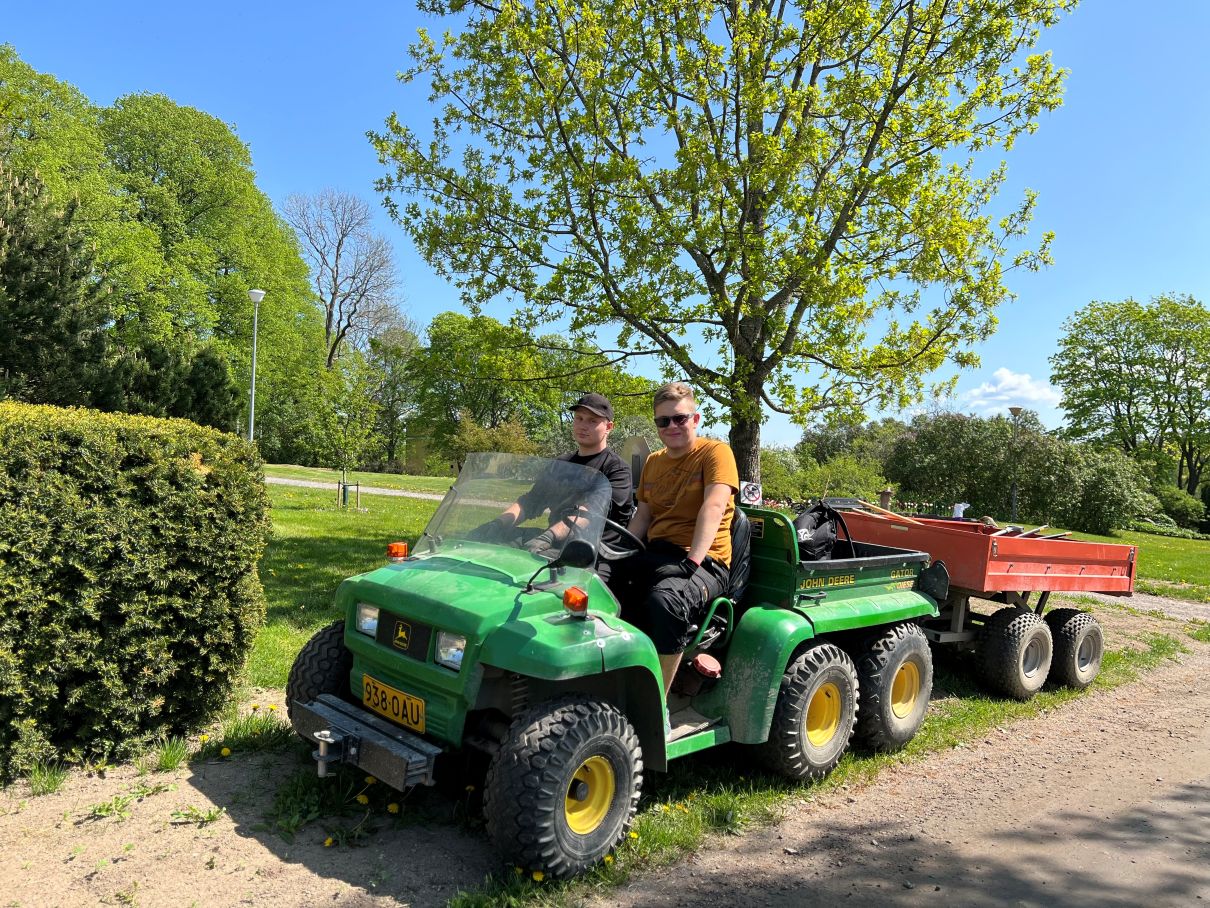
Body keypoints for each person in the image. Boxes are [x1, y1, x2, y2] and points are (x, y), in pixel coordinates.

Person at [617, 382, 739, 698]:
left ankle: (656, 704)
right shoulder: (654, 462)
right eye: (663, 421)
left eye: (680, 418)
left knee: (666, 600)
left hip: (705, 561)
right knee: (599, 582)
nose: (672, 426)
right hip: (658, 552)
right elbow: (642, 517)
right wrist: (618, 553)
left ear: (695, 419)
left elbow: (713, 507)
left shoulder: (716, 453)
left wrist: (692, 561)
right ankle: (608, 677)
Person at [474, 393, 635, 576]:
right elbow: (531, 501)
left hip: (594, 553)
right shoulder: (562, 464)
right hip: (552, 543)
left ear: (608, 427)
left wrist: (547, 536)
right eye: (579, 418)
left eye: (592, 421)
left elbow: (591, 512)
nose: (583, 425)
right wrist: (497, 524)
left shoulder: (616, 469)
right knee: (487, 554)